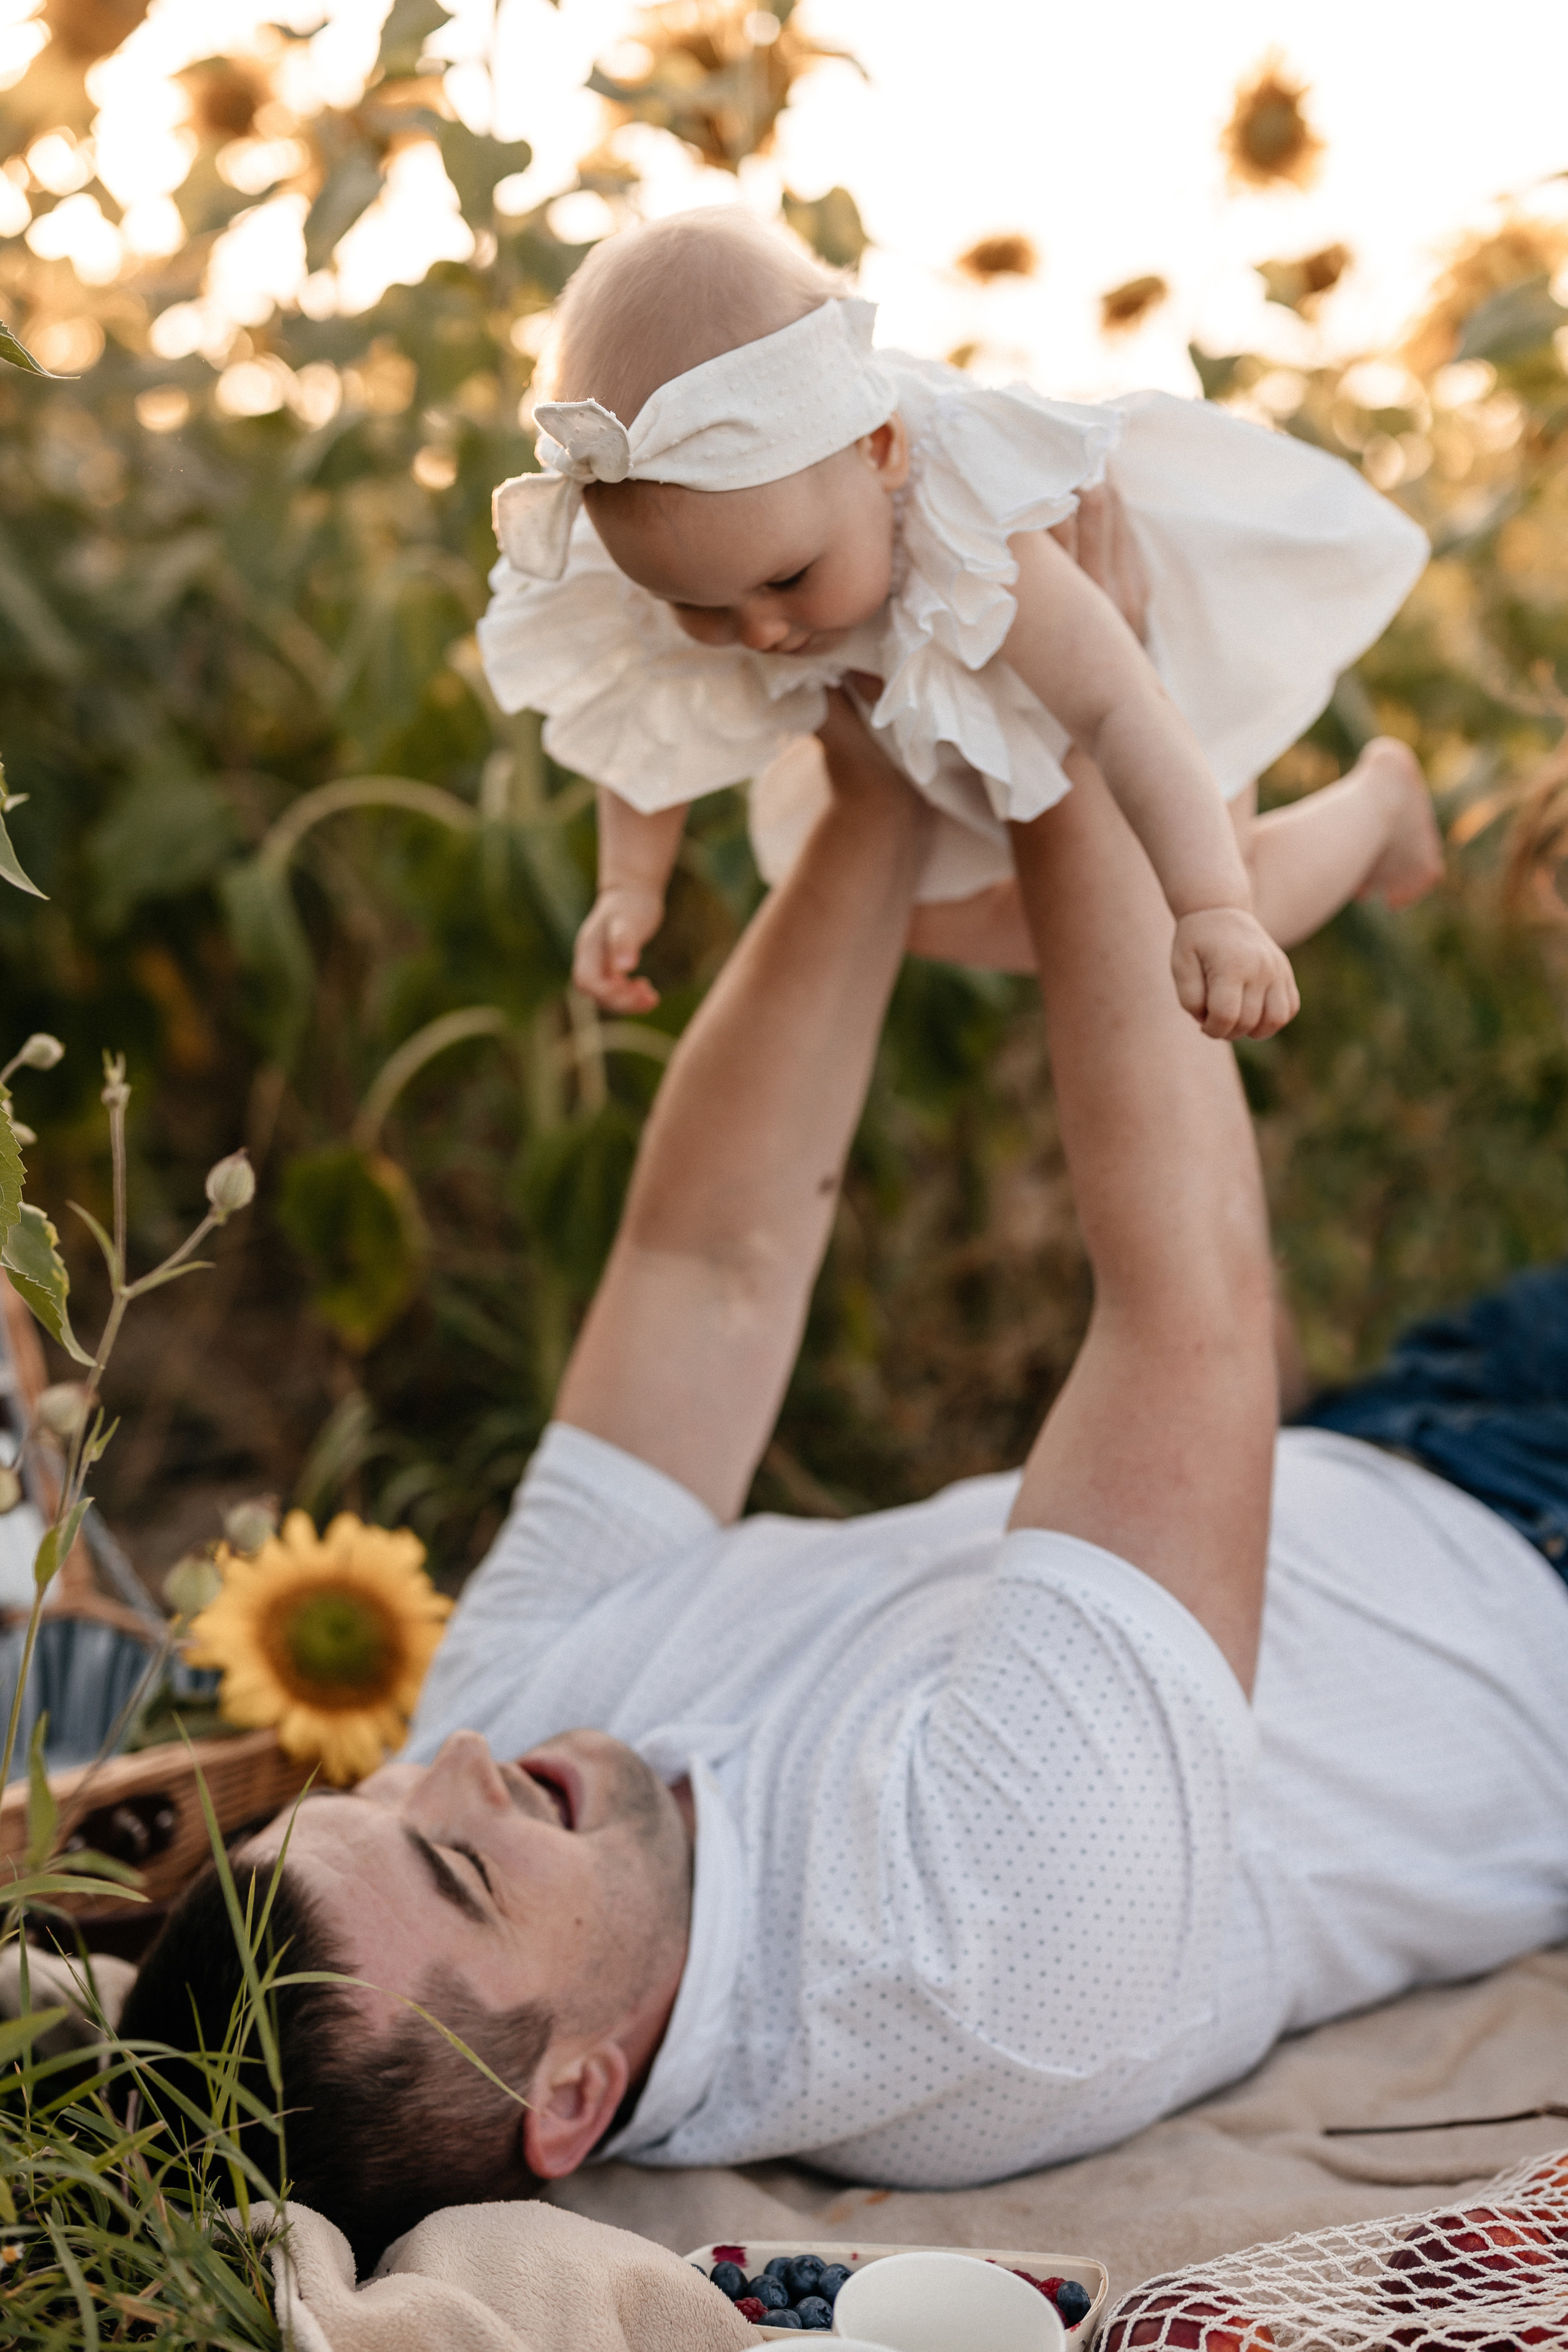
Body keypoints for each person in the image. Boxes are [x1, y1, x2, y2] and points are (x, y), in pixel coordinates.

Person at [121, 668, 1568, 2281]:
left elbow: (700, 1266)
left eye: (370, 1797)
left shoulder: (522, 1745)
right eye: (460, 1865)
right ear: (576, 2095)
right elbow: (1190, 1309)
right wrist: (1080, 715)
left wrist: (870, 802)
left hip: (1388, 1441)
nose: (452, 1758)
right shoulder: (965, 1955)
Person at [477, 209, 1440, 1038]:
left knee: (1192, 927)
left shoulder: (973, 520)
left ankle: (1380, 802)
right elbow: (649, 726)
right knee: (937, 917)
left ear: (881, 449)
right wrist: (628, 886)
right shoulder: (716, 535)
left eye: (785, 580)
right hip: (975, 741)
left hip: (1149, 686)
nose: (761, 632)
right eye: (697, 606)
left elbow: (1118, 709)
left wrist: (1213, 905)